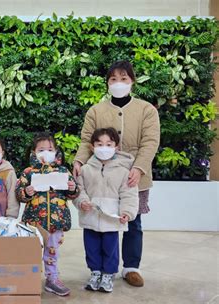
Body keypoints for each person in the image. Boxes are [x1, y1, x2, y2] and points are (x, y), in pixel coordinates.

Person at [73, 60, 160, 287]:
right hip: (101, 177)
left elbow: (150, 142)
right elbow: (85, 141)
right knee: (100, 222)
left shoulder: (146, 110)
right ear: (107, 83)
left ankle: (131, 267)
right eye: (113, 79)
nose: (118, 83)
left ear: (132, 81)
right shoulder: (96, 111)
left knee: (133, 220)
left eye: (124, 78)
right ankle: (101, 268)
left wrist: (138, 168)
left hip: (134, 176)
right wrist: (79, 161)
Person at [73, 128, 139, 293]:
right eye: (99, 144)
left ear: (116, 147)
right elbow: (79, 190)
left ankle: (108, 274)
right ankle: (95, 272)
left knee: (110, 248)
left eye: (108, 144)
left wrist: (127, 213)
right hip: (90, 217)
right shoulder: (85, 170)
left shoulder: (124, 172)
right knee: (91, 247)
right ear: (92, 147)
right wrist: (82, 202)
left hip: (112, 219)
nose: (104, 147)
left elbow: (129, 195)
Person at [16, 132, 79, 297]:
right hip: (34, 222)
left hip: (56, 222)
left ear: (56, 151)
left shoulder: (63, 171)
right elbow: (19, 193)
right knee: (31, 251)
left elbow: (74, 192)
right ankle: (29, 279)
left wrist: (72, 188)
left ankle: (52, 279)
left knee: (52, 252)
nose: (46, 152)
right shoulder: (28, 172)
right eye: (41, 149)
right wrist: (26, 192)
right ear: (34, 152)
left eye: (50, 149)